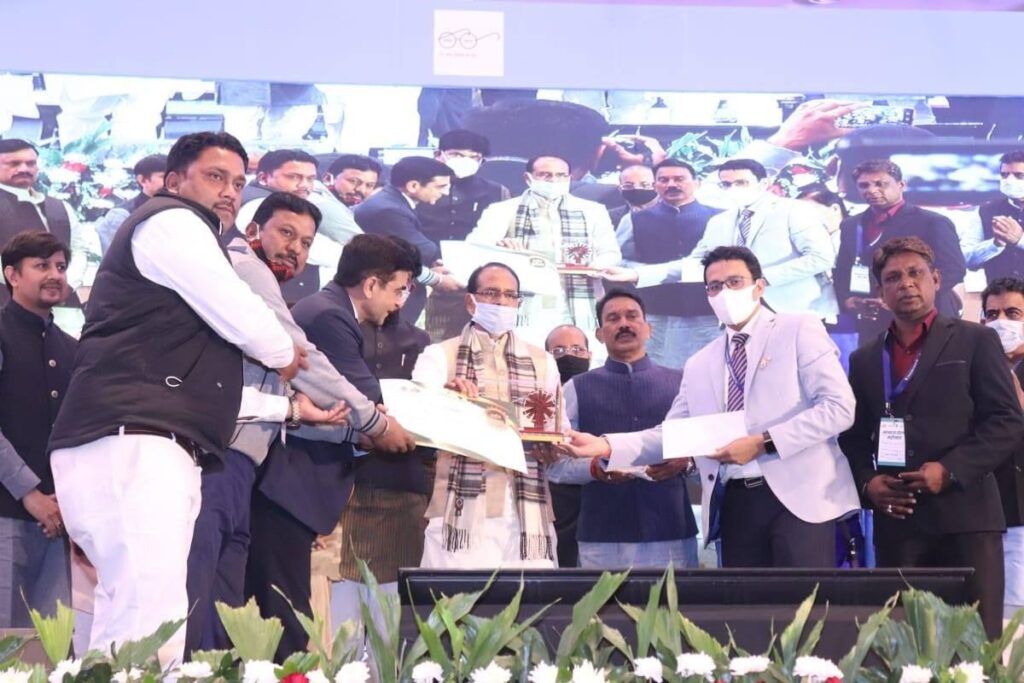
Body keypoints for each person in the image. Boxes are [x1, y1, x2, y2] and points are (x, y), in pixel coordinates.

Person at [47, 131, 301, 666]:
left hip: (141, 441)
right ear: (172, 181)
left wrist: (291, 408)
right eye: (215, 176)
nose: (229, 192)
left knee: (129, 618)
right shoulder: (170, 221)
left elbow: (205, 384)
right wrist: (284, 352)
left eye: (238, 182)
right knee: (151, 622)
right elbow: (252, 323)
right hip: (134, 442)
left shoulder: (180, 245)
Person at [185, 192, 402, 655]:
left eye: (305, 243)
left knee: (226, 608)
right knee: (207, 600)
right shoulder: (249, 269)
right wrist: (373, 422)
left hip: (241, 461)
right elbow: (299, 356)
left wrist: (335, 420)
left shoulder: (260, 278)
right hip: (220, 457)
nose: (295, 249)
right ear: (252, 230)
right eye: (286, 233)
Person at [564, 246, 860, 568]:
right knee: (745, 601)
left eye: (735, 282)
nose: (724, 293)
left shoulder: (798, 328)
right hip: (735, 503)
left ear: (759, 287)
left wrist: (764, 443)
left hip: (801, 498)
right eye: (715, 287)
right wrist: (605, 445)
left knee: (805, 599)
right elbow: (673, 435)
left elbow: (839, 407)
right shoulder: (700, 362)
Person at [839, 237, 1023, 639]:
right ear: (880, 291)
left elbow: (1006, 420)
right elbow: (852, 437)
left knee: (977, 646)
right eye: (893, 277)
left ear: (936, 279)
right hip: (898, 520)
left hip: (967, 519)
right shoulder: (864, 357)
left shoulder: (976, 340)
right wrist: (869, 483)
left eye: (915, 273)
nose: (906, 283)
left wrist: (950, 470)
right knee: (906, 644)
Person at [246, 233, 418, 660]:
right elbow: (359, 398)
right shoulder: (328, 315)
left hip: (296, 485)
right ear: (371, 284)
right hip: (287, 483)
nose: (399, 304)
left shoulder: (334, 313)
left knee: (284, 610)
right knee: (281, 615)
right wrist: (392, 422)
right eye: (398, 290)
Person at [411, 262, 566, 569]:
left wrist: (553, 450)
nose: (501, 302)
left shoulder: (543, 361)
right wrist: (449, 400)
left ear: (519, 303)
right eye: (492, 293)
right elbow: (417, 422)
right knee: (452, 598)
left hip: (528, 515)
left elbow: (558, 429)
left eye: (510, 295)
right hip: (460, 514)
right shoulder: (439, 355)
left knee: (532, 599)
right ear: (471, 302)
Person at [546, 290, 699, 569]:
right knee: (602, 601)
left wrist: (687, 462)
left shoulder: (682, 382)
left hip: (671, 529)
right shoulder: (576, 388)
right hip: (601, 535)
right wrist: (595, 468)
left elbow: (709, 448)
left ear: (649, 328)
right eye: (613, 318)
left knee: (673, 599)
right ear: (599, 334)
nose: (624, 324)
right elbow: (556, 467)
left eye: (632, 316)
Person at [606, 159, 836, 322]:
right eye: (726, 184)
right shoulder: (721, 220)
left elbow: (821, 258)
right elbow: (697, 264)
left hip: (796, 309)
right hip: (740, 313)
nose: (733, 188)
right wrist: (637, 274)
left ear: (764, 183)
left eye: (741, 183)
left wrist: (760, 279)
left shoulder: (793, 210)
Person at [327, 307, 433, 633]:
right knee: (343, 605)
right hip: (334, 483)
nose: (399, 297)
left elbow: (429, 419)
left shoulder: (421, 342)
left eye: (404, 287)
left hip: (401, 488)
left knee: (390, 608)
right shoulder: (340, 332)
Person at [468, 156, 621, 355]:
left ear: (569, 178)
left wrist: (595, 265)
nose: (553, 181)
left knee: (581, 358)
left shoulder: (593, 210)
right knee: (525, 357)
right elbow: (477, 248)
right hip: (528, 304)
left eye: (561, 175)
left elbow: (610, 252)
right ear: (528, 178)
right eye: (545, 175)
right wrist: (504, 248)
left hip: (579, 301)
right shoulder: (502, 210)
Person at [0, 231, 75, 626]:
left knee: (51, 647)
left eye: (60, 267)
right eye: (42, 266)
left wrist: (63, 501)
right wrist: (30, 494)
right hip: (7, 512)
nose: (55, 275)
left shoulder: (73, 348)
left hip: (58, 521)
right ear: (12, 275)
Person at [834, 159, 965, 343]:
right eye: (864, 185)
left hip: (925, 318)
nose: (871, 190)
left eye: (880, 184)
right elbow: (842, 270)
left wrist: (905, 296)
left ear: (901, 185)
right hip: (872, 322)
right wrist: (849, 301)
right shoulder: (851, 225)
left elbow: (954, 269)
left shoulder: (932, 222)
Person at [615, 159, 723, 369]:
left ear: (697, 183)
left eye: (679, 179)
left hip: (708, 309)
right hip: (656, 309)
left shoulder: (719, 217)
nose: (671, 184)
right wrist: (643, 272)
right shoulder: (634, 219)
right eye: (663, 180)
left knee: (711, 369)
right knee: (658, 370)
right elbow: (618, 260)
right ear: (655, 185)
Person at [419, 130, 510, 342]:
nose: (465, 161)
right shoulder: (420, 187)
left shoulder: (497, 192)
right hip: (425, 275)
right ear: (439, 154)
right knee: (425, 340)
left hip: (474, 281)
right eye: (457, 155)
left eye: (473, 157)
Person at [353, 156, 461, 323]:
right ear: (413, 186)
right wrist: (437, 276)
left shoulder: (391, 201)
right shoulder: (389, 210)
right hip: (382, 298)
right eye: (440, 186)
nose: (446, 193)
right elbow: (417, 253)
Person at [977, 276, 1024, 625]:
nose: (1001, 322)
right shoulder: (972, 367)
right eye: (992, 315)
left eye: (1012, 313)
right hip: (987, 518)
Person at [0, 139, 83, 306]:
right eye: (14, 163)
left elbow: (79, 249)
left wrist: (68, 283)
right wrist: (30, 286)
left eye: (30, 163)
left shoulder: (60, 206)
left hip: (61, 301)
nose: (24, 169)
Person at [235, 149, 323, 303]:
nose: (304, 185)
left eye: (310, 179)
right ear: (263, 178)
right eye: (293, 177)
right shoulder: (257, 203)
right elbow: (332, 255)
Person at [543, 324, 592, 568]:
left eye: (577, 349)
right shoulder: (536, 396)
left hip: (597, 500)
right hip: (556, 503)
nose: (569, 356)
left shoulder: (598, 389)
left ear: (589, 355)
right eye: (559, 351)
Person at [964, 150, 1024, 282]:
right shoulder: (986, 210)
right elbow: (964, 258)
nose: (1009, 180)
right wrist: (995, 244)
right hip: (998, 292)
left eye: (1019, 175)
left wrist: (1019, 240)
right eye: (1004, 175)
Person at [94, 154, 167, 255]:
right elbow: (115, 258)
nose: (170, 182)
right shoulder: (122, 215)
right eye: (163, 177)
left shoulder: (179, 208)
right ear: (142, 180)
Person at [609, 164, 659, 229]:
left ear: (657, 187)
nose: (636, 188)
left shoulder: (670, 214)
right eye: (628, 186)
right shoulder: (609, 217)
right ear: (620, 190)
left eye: (645, 185)